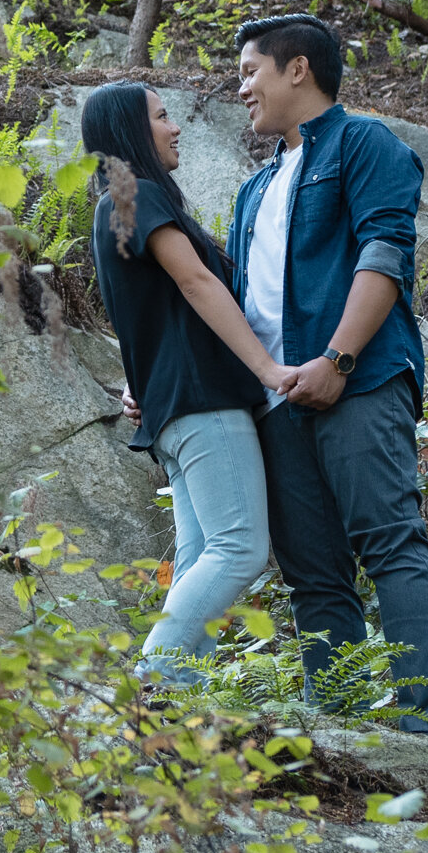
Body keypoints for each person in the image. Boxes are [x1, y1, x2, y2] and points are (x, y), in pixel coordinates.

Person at [227, 14, 428, 736]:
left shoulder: (365, 145)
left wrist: (337, 359)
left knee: (391, 540)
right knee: (315, 578)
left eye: (249, 72)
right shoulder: (252, 191)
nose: (242, 89)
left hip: (357, 383)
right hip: (275, 404)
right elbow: (236, 306)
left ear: (298, 68)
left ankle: (426, 729)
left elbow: (385, 252)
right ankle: (344, 734)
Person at [80, 82, 293, 685]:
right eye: (163, 116)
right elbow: (198, 286)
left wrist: (139, 378)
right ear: (129, 132)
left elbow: (145, 309)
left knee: (204, 555)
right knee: (240, 548)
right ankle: (151, 689)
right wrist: (269, 369)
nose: (175, 128)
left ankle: (179, 705)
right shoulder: (135, 194)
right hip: (203, 403)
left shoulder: (120, 206)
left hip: (174, 409)